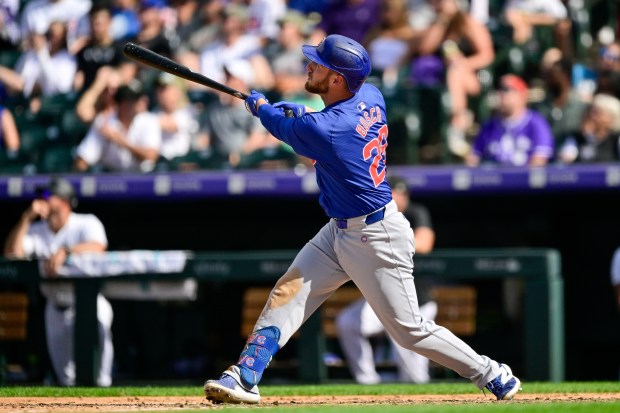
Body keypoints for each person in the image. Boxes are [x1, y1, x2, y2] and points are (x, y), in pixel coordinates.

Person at [203, 34, 521, 404]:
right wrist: (303, 113)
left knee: (409, 331)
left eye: (318, 64)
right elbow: (318, 123)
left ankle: (491, 373)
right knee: (288, 293)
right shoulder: (370, 95)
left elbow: (288, 128)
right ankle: (245, 375)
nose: (309, 66)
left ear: (337, 79)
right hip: (338, 229)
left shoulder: (329, 129)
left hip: (376, 235)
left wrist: (260, 106)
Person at [3, 178, 113, 387]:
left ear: (63, 201)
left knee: (100, 378)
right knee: (67, 381)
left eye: (48, 196)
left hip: (89, 304)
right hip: (55, 308)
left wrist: (67, 251)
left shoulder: (86, 222)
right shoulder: (37, 230)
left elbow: (98, 247)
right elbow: (12, 254)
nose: (42, 200)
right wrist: (26, 218)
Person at [336, 175, 437, 384]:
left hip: (417, 299)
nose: (396, 197)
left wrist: (386, 242)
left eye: (400, 193)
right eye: (392, 193)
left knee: (413, 369)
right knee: (348, 322)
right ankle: (367, 381)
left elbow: (424, 244)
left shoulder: (415, 212)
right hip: (380, 296)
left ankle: (420, 395)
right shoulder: (373, 215)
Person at [415, 0, 494, 157]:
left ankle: (458, 124)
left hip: (473, 78)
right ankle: (453, 125)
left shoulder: (468, 22)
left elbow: (487, 55)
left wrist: (464, 63)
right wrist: (442, 22)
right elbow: (424, 49)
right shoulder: (439, 25)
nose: (437, 5)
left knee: (455, 71)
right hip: (443, 82)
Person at [465, 74, 554, 167]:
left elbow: (539, 161)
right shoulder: (489, 125)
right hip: (492, 179)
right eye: (498, 89)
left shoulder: (536, 123)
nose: (499, 94)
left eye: (505, 89)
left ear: (521, 95)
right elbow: (473, 159)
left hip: (523, 179)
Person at [74, 82, 162, 172]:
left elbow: (151, 156)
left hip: (142, 176)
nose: (131, 105)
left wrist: (121, 141)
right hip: (111, 177)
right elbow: (84, 159)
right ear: (119, 103)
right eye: (126, 101)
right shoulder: (104, 122)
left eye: (134, 100)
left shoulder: (149, 120)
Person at [556, 93, 620, 164]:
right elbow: (564, 160)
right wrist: (587, 136)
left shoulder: (616, 140)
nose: (591, 116)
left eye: (597, 113)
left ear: (611, 119)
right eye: (590, 111)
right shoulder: (576, 138)